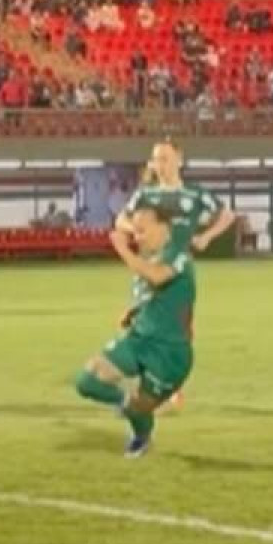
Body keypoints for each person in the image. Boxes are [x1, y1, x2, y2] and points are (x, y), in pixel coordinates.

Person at [114, 141, 236, 412]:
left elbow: (227, 215)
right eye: (157, 159)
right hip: (150, 272)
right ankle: (146, 382)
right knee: (143, 325)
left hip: (180, 272)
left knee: (180, 330)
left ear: (179, 159)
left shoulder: (194, 195)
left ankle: (170, 386)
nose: (161, 164)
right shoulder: (145, 196)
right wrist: (134, 228)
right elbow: (120, 220)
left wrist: (206, 236)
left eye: (166, 158)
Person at [72, 195, 197, 459]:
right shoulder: (150, 256)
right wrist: (134, 311)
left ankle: (142, 435)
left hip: (170, 354)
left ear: (165, 228)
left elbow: (157, 276)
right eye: (135, 230)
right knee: (87, 381)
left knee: (140, 410)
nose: (137, 237)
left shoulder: (178, 256)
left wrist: (122, 249)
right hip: (139, 340)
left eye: (142, 230)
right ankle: (127, 403)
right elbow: (151, 291)